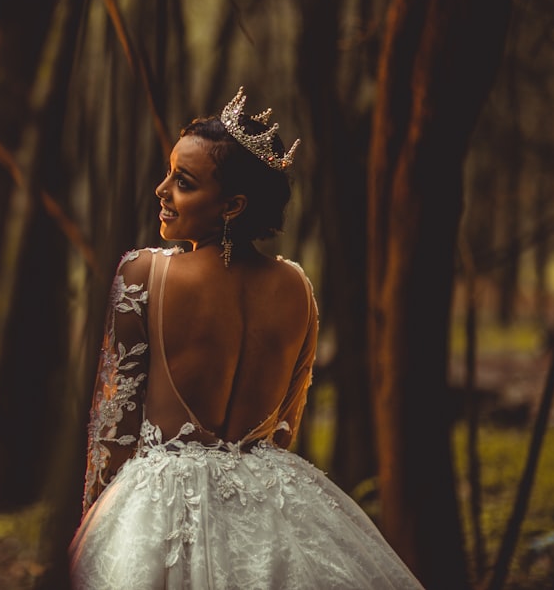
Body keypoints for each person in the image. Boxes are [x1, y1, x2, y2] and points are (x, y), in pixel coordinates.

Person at [69, 87, 424, 589]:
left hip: (157, 506)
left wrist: (98, 521)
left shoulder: (142, 273)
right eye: (170, 173)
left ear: (233, 205)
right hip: (272, 500)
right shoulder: (296, 286)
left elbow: (115, 422)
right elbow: (284, 422)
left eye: (184, 182)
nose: (161, 190)